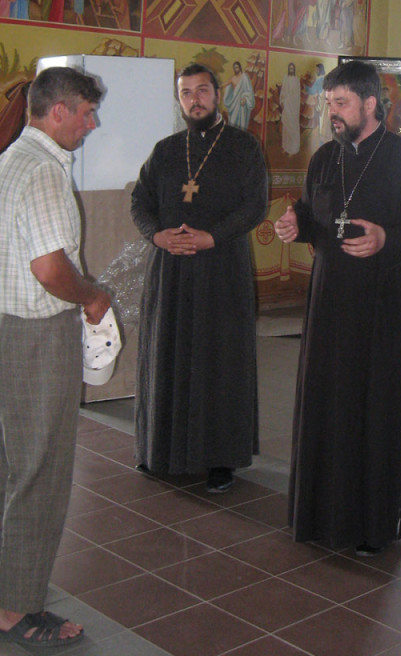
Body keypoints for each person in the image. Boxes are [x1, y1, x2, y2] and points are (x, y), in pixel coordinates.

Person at [274, 61, 401, 554]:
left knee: (373, 406)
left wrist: (388, 237)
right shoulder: (324, 158)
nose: (332, 112)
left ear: (370, 104)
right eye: (328, 103)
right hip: (327, 300)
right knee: (326, 402)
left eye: (341, 103)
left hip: (380, 303)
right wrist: (296, 225)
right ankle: (319, 513)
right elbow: (313, 216)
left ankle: (372, 522)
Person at [0, 66, 110, 647]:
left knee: (7, 465)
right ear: (58, 112)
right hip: (36, 337)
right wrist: (93, 297)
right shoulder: (46, 171)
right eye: (87, 113)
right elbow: (50, 270)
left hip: (2, 329)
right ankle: (15, 611)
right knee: (42, 474)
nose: (92, 124)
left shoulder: (11, 158)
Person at [131, 64, 267, 492]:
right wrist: (156, 235)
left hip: (222, 270)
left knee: (220, 361)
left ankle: (221, 460)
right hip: (170, 271)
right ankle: (161, 450)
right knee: (167, 355)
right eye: (186, 92)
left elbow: (256, 206)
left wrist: (213, 236)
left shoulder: (243, 147)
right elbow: (140, 202)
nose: (195, 100)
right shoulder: (166, 150)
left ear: (217, 95)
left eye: (202, 90)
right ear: (179, 99)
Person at [223, 60, 256, 131]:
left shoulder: (245, 77)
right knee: (233, 122)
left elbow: (249, 91)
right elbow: (224, 84)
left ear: (240, 68)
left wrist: (245, 98)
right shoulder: (233, 78)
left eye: (237, 67)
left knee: (242, 124)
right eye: (234, 68)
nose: (236, 69)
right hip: (234, 104)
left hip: (242, 104)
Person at [279, 62, 301, 156]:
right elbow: (283, 91)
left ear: (294, 70)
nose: (291, 70)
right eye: (290, 68)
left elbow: (297, 94)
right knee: (286, 127)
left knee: (293, 127)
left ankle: (293, 149)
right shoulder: (285, 78)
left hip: (293, 107)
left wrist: (292, 100)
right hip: (287, 106)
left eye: (292, 68)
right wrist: (283, 101)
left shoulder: (296, 80)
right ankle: (285, 147)